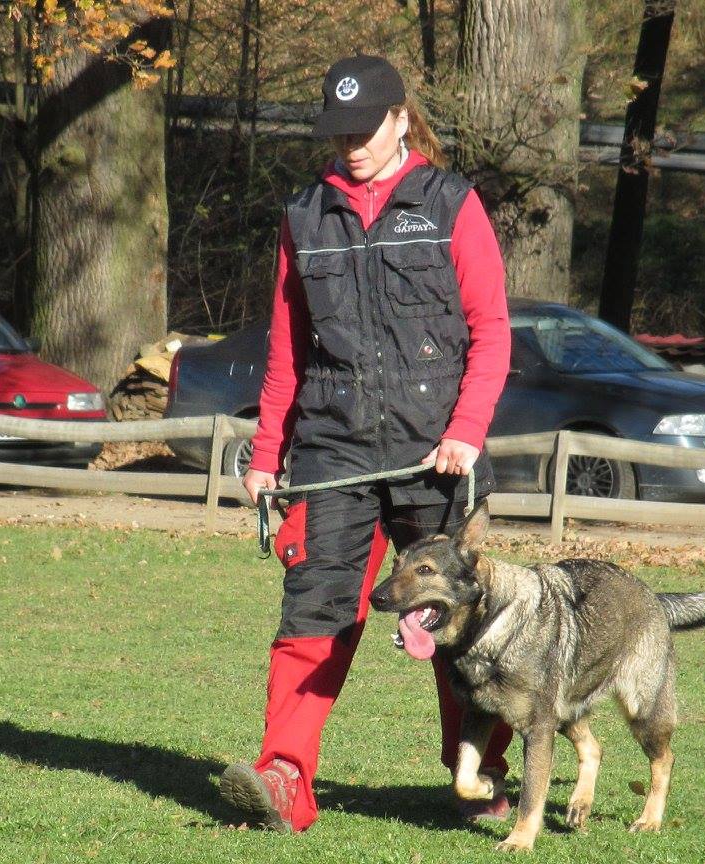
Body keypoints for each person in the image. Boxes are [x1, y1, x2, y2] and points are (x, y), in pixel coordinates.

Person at [218, 54, 515, 833]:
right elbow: (288, 351)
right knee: (312, 609)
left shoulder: (452, 204)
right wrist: (265, 454)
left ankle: (481, 773)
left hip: (435, 453)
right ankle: (284, 779)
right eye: (339, 131)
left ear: (399, 119)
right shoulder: (304, 215)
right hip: (333, 451)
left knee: (458, 621)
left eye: (364, 129)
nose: (351, 144)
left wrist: (465, 432)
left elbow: (491, 331)